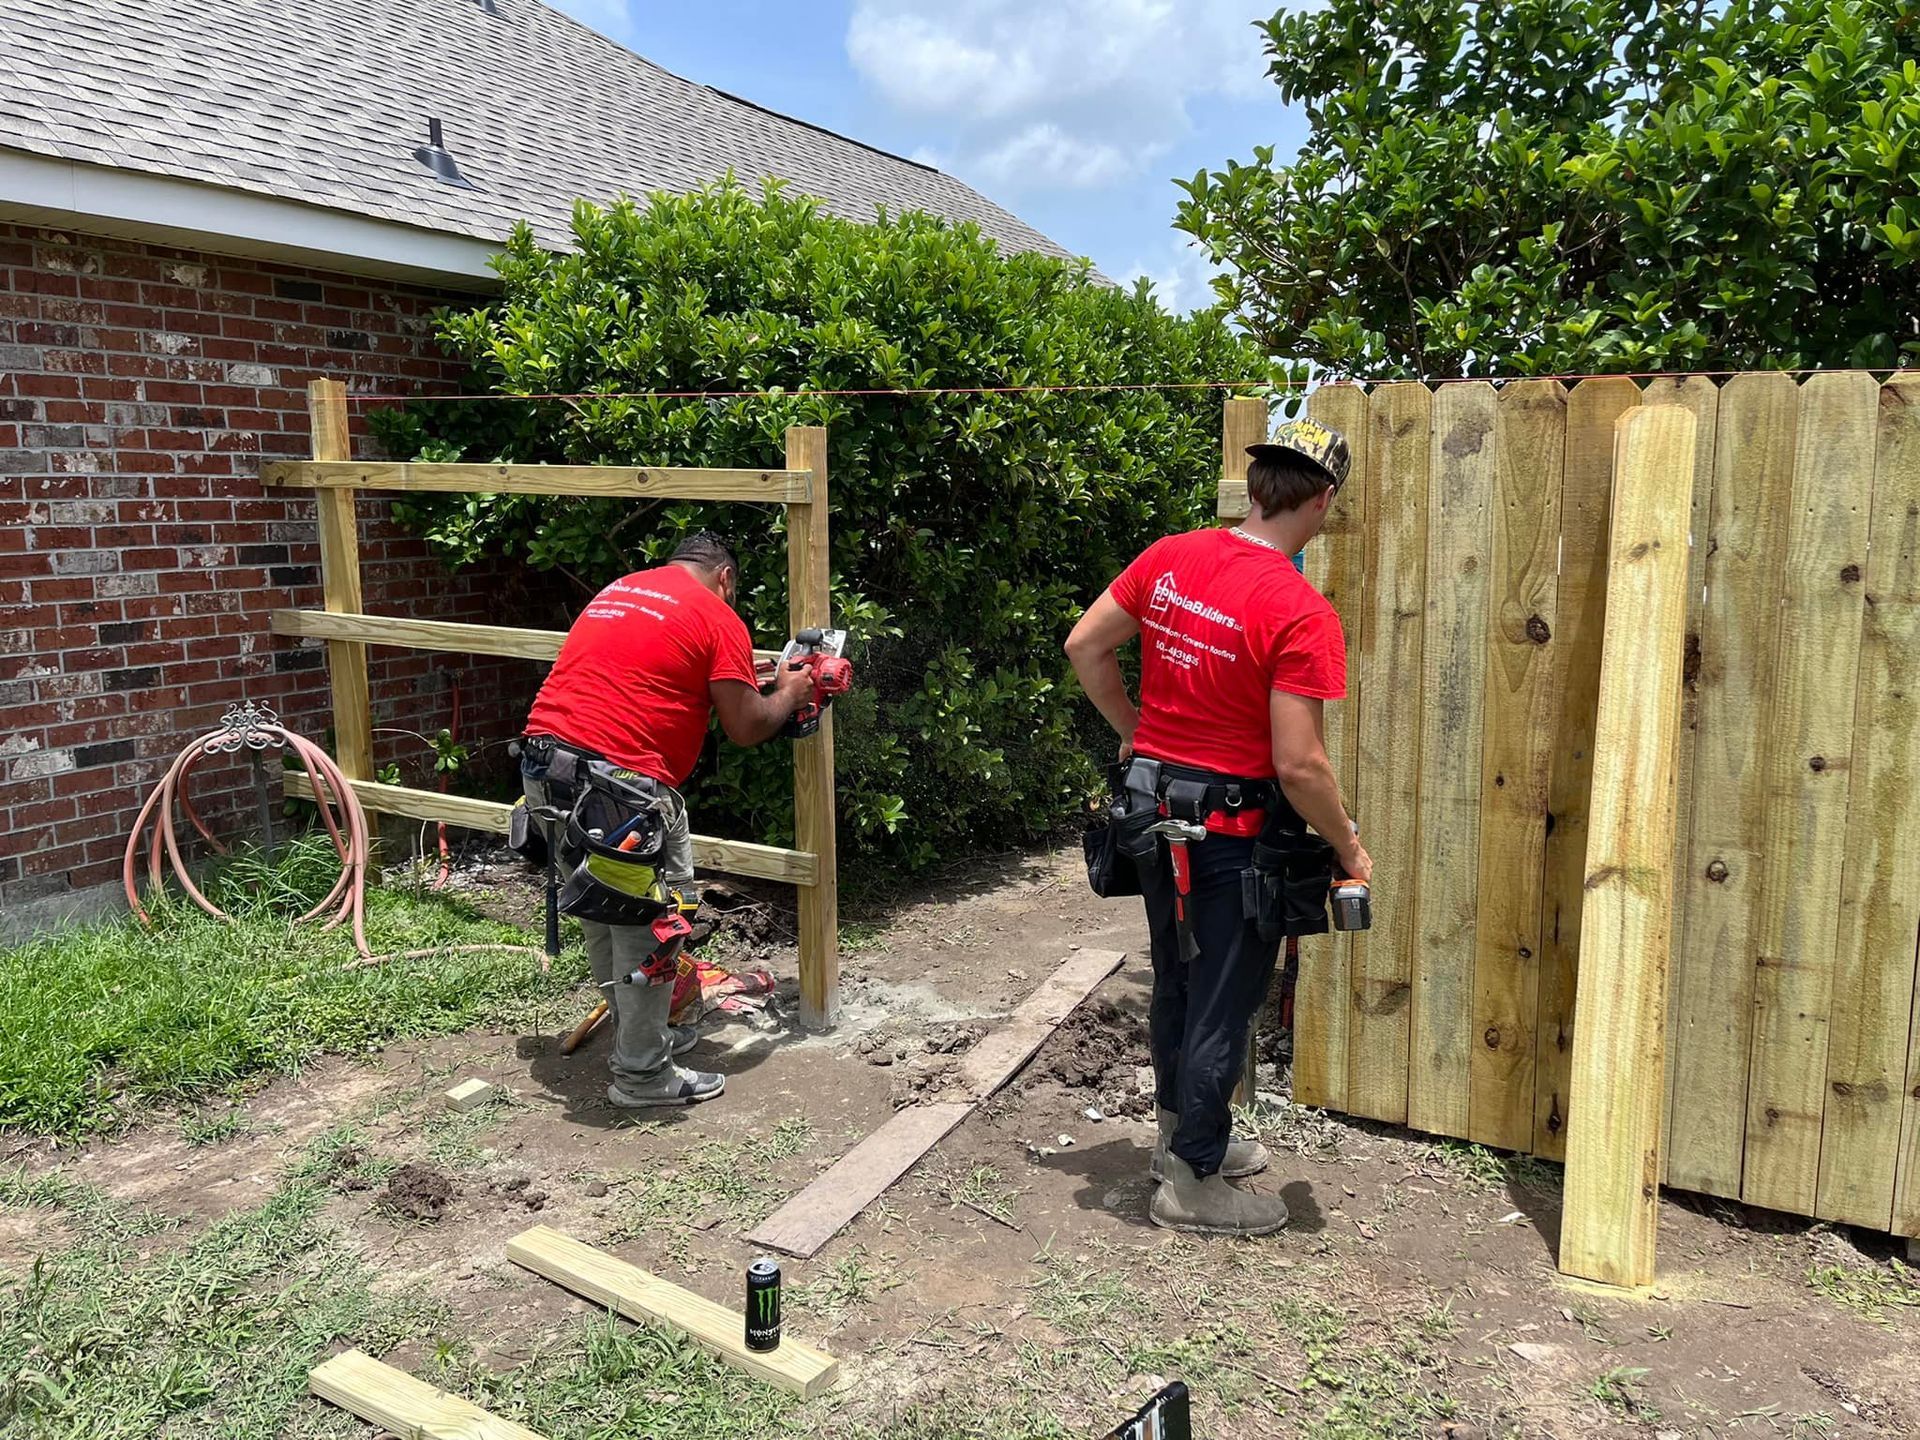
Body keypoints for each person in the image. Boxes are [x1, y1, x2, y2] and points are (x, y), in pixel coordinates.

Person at [1065, 420, 1372, 1236]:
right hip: (1229, 834)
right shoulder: (1298, 610)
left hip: (1153, 814)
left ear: (1257, 484)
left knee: (1180, 980)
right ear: (1323, 500)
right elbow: (1300, 765)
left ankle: (1182, 1142)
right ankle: (1193, 1185)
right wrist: (1348, 846)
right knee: (1224, 999)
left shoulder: (1172, 557)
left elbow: (1085, 644)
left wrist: (1135, 730)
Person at [520, 532, 814, 1109]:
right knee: (650, 928)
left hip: (544, 766)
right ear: (726, 577)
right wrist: (792, 689)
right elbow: (747, 727)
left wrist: (734, 667)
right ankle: (643, 1077)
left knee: (602, 916)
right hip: (618, 789)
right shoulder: (715, 612)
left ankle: (641, 1038)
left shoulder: (623, 590)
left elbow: (650, 671)